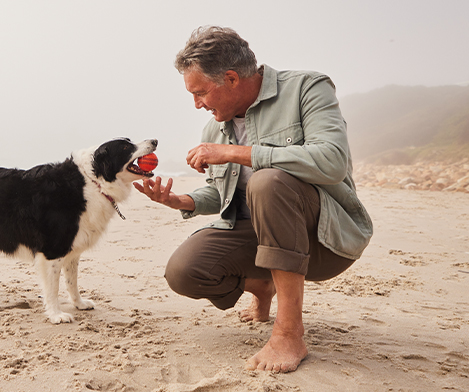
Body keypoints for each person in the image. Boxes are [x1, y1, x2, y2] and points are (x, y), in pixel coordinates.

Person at [134, 26, 374, 373]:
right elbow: (225, 193)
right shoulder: (215, 127)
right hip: (261, 237)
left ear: (231, 78)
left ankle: (289, 334)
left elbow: (332, 161)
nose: (197, 104)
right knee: (184, 272)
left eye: (201, 92)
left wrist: (236, 152)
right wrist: (183, 201)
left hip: (324, 241)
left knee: (268, 181)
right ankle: (262, 287)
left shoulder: (307, 88)